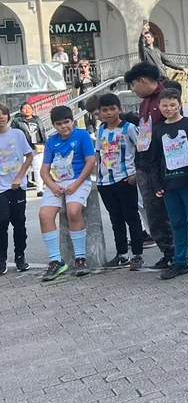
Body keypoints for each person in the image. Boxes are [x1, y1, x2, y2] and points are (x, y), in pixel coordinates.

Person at [152, 89, 188, 280]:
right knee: (177, 223)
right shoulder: (158, 130)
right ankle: (180, 262)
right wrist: (156, 183)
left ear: (180, 104)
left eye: (172, 104)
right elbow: (155, 159)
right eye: (165, 105)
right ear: (159, 107)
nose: (169, 109)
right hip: (169, 184)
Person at [124, 62, 175, 268]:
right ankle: (167, 252)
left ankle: (177, 253)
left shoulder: (165, 98)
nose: (133, 90)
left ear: (142, 81)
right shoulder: (145, 103)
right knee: (153, 213)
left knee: (164, 212)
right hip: (145, 163)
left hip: (163, 164)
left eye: (134, 85)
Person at [38, 105, 97, 281]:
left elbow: (90, 161)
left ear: (72, 121)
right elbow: (44, 170)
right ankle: (56, 260)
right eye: (59, 124)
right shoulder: (51, 141)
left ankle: (80, 258)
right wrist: (52, 186)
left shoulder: (82, 135)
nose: (64, 126)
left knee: (73, 210)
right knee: (44, 215)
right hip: (56, 183)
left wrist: (76, 184)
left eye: (67, 122)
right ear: (54, 125)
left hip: (78, 180)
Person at [95, 93, 144, 270]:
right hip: (105, 182)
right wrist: (97, 178)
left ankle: (137, 254)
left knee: (132, 217)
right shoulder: (100, 130)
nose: (109, 113)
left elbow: (142, 150)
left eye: (112, 109)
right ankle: (122, 254)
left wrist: (136, 174)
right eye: (105, 110)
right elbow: (98, 154)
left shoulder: (129, 128)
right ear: (100, 112)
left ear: (119, 109)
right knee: (115, 219)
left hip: (125, 179)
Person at [0, 103, 33, 274]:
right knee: (2, 221)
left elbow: (29, 156)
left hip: (17, 186)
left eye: (3, 114)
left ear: (7, 116)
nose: (1, 117)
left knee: (19, 223)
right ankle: (1, 259)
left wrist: (19, 177)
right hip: (1, 188)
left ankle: (20, 256)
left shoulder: (17, 134)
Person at [12, 102, 45, 194]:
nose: (27, 110)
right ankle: (21, 187)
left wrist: (43, 142)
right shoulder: (17, 121)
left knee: (38, 168)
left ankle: (39, 189)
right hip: (23, 149)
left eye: (29, 108)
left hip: (37, 147)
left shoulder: (37, 119)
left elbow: (42, 131)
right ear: (20, 110)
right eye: (24, 108)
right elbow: (13, 135)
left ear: (32, 110)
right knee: (22, 168)